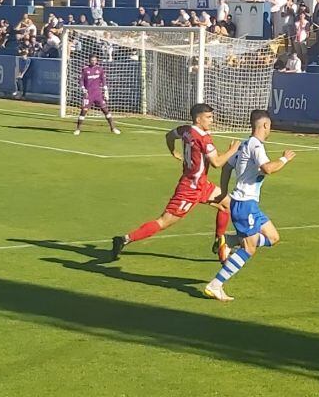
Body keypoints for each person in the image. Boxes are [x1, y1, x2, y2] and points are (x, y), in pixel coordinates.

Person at [110, 104, 240, 262]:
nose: (212, 120)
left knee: (227, 204)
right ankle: (124, 239)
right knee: (164, 221)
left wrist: (173, 151)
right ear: (198, 119)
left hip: (201, 184)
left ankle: (220, 242)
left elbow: (169, 136)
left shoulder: (185, 129)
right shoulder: (203, 138)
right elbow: (217, 162)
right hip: (190, 189)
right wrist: (233, 150)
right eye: (208, 117)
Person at [205, 110, 295, 302]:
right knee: (249, 249)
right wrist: (285, 159)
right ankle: (216, 285)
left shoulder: (245, 143)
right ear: (264, 126)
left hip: (248, 204)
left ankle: (230, 240)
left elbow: (227, 167)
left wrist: (223, 191)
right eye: (269, 126)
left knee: (273, 237)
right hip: (245, 205)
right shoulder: (255, 145)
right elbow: (268, 169)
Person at [74, 55, 120, 136]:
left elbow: (103, 80)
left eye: (95, 60)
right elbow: (81, 81)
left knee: (105, 110)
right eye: (92, 60)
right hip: (88, 94)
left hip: (98, 94)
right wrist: (83, 89)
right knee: (83, 111)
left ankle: (113, 128)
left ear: (97, 60)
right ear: (89, 60)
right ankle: (78, 129)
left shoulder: (100, 69)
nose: (93, 61)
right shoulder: (85, 69)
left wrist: (106, 90)